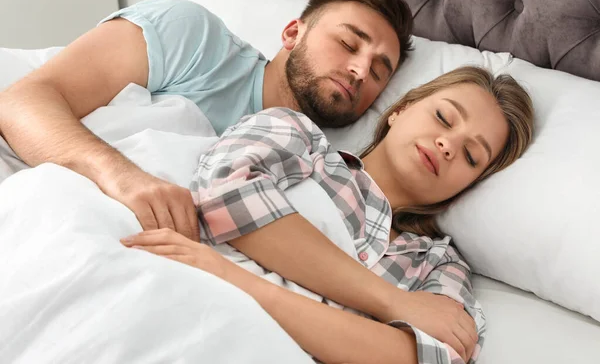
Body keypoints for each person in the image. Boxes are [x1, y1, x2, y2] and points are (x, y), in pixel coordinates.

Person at [120, 66, 536, 364]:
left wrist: (234, 277)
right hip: (174, 302)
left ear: (468, 187)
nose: (447, 144)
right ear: (401, 109)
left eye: (470, 155)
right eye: (444, 117)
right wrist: (394, 303)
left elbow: (427, 357)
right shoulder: (299, 138)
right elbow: (227, 196)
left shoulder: (437, 265)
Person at [0, 0, 412, 241]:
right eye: (348, 43)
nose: (360, 71)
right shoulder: (194, 37)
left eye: (378, 71)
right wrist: (125, 180)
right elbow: (22, 101)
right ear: (291, 33)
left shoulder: (317, 167)